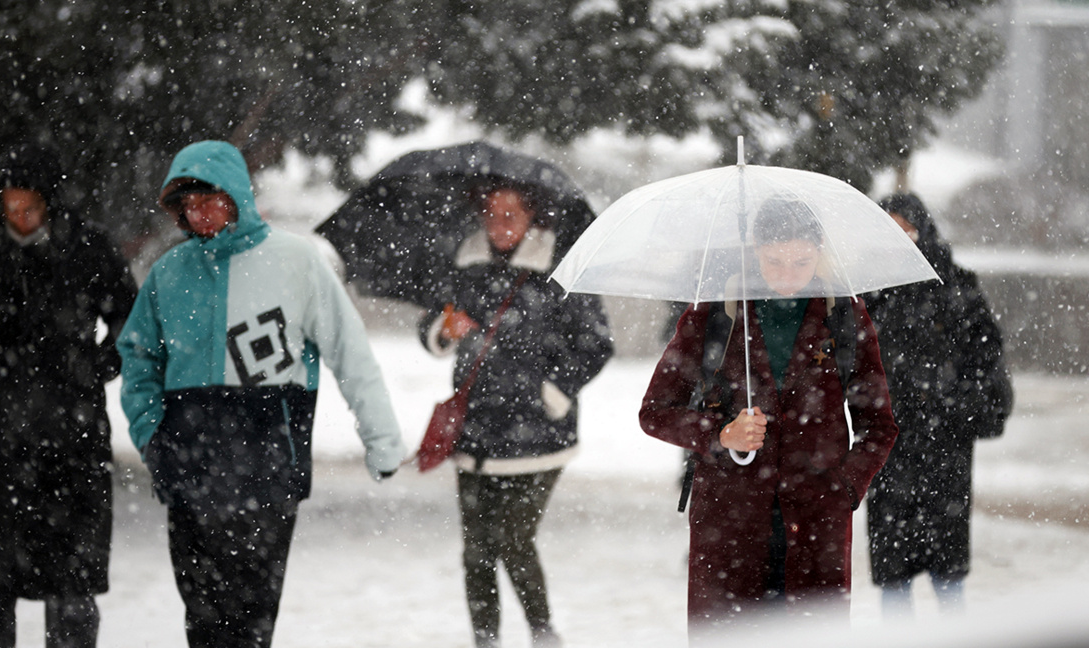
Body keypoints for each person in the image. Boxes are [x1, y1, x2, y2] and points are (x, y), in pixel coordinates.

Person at [117, 140, 406, 648]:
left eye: (209, 200)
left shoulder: (296, 262)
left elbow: (351, 353)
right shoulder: (169, 273)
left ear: (236, 198)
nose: (199, 214)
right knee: (202, 619)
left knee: (250, 622)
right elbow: (138, 358)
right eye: (188, 205)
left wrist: (382, 440)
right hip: (187, 465)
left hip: (267, 467)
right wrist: (151, 435)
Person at [639, 198, 899, 630]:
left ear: (820, 252)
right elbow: (654, 411)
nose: (787, 275)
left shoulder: (844, 315)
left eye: (801, 261)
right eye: (774, 260)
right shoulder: (714, 312)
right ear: (755, 250)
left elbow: (879, 425)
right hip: (729, 523)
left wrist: (844, 487)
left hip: (816, 523)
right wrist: (720, 433)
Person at [0, 143, 138, 648]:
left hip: (74, 441)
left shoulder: (90, 247)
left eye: (29, 206)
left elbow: (129, 318)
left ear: (50, 203)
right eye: (10, 206)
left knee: (72, 593)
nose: (19, 216)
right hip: (1, 444)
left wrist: (96, 365)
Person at [419, 183, 614, 647]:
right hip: (476, 431)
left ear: (534, 219)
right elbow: (430, 323)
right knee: (475, 553)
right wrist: (441, 329)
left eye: (512, 214)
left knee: (512, 540)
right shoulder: (464, 266)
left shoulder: (561, 269)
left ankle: (544, 635)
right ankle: (484, 639)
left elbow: (597, 343)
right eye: (491, 213)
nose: (500, 224)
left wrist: (554, 391)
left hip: (538, 436)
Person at [863, 193, 1013, 617]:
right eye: (887, 229)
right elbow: (849, 364)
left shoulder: (958, 288)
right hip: (889, 450)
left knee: (948, 577)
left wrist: (949, 403)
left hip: (945, 450)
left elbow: (989, 365)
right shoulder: (869, 294)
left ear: (923, 229)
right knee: (893, 578)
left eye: (905, 228)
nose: (899, 239)